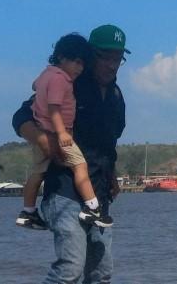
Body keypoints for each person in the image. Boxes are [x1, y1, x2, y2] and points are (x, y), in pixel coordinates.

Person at [14, 23, 128, 284]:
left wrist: (112, 175)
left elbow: (109, 143)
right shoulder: (67, 83)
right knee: (70, 269)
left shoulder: (116, 97)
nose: (111, 65)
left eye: (118, 59)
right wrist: (43, 140)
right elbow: (21, 116)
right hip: (64, 189)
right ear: (90, 56)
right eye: (105, 57)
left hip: (98, 195)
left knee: (101, 273)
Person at [17, 33, 111, 230]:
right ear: (61, 57)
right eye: (76, 62)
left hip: (43, 131)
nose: (79, 68)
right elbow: (53, 108)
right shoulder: (62, 80)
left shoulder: (47, 75)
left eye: (82, 63)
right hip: (59, 136)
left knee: (36, 174)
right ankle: (92, 207)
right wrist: (61, 133)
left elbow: (35, 85)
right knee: (80, 165)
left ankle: (28, 211)